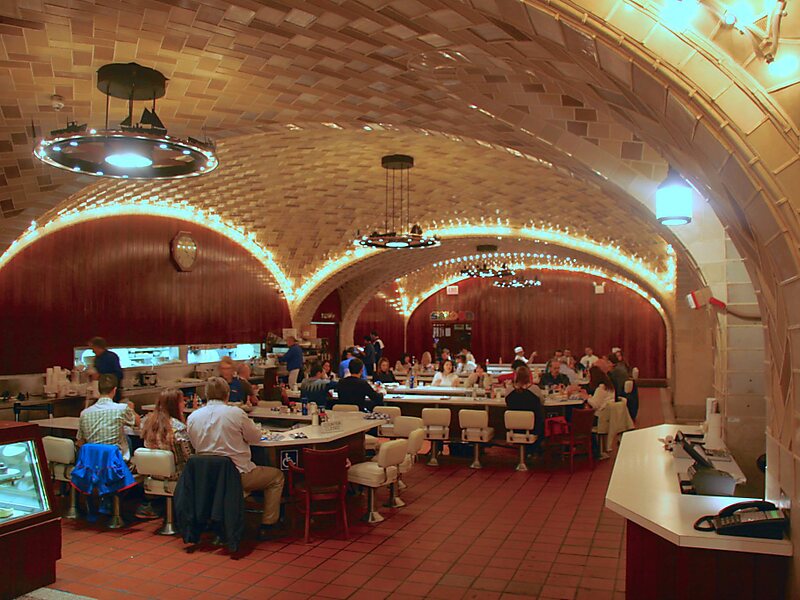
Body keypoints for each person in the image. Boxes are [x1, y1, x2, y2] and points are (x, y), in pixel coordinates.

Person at [187, 376, 284, 540]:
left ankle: (224, 515)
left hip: (206, 476)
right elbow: (255, 438)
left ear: (206, 395)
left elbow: (195, 444)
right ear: (227, 394)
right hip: (237, 474)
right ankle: (268, 524)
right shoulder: (236, 414)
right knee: (276, 477)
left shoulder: (193, 417)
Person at [137, 388, 193, 519]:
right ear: (174, 405)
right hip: (175, 474)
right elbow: (188, 457)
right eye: (181, 401)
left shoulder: (148, 423)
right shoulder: (178, 428)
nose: (184, 404)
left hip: (153, 473)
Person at [77, 374, 139, 461]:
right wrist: (131, 409)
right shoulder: (122, 409)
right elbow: (137, 422)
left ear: (99, 390)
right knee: (127, 439)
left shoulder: (84, 413)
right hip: (116, 464)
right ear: (114, 390)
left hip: (93, 464)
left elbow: (80, 442)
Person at [505, 367, 545, 439]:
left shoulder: (509, 390)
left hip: (513, 426)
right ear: (528, 376)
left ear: (516, 376)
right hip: (534, 427)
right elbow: (542, 402)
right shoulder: (535, 389)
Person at [88, 336, 124, 402]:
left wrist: (101, 376)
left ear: (97, 347)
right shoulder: (97, 359)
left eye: (92, 348)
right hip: (100, 393)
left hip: (112, 394)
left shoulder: (111, 357)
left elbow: (119, 374)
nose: (92, 351)